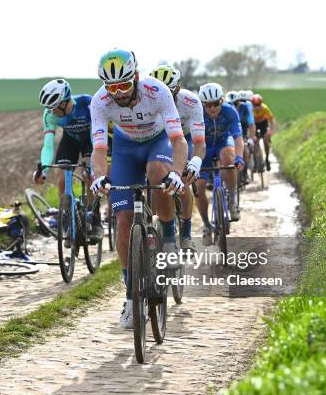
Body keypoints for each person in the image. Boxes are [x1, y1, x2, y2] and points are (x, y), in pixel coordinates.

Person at [89, 49, 188, 329]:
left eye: (123, 84)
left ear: (135, 76)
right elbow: (98, 148)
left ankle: (168, 237)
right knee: (122, 222)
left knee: (158, 174)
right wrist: (99, 175)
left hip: (158, 142)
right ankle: (131, 297)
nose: (118, 93)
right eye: (111, 87)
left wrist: (177, 174)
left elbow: (179, 141)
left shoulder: (157, 92)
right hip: (125, 148)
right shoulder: (100, 101)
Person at [32, 78, 102, 241]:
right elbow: (48, 145)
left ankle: (94, 214)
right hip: (69, 140)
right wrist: (43, 169)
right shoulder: (50, 114)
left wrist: (92, 166)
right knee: (61, 177)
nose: (51, 111)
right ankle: (70, 218)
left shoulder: (87, 104)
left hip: (90, 139)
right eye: (49, 108)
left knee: (89, 176)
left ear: (65, 102)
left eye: (54, 107)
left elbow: (96, 140)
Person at [150, 64, 205, 251]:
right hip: (159, 139)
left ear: (178, 89)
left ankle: (186, 234)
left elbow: (199, 142)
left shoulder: (191, 101)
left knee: (182, 180)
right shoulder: (148, 100)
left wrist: (196, 162)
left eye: (169, 92)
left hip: (186, 138)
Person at [196, 83, 245, 245]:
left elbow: (238, 138)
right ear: (202, 104)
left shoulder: (230, 111)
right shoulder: (197, 114)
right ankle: (206, 225)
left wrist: (239, 157)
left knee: (229, 159)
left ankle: (231, 200)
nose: (212, 108)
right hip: (203, 147)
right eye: (207, 105)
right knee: (199, 187)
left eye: (216, 103)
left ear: (222, 100)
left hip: (223, 142)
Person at [234, 90, 256, 182]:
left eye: (236, 103)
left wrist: (251, 138)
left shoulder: (245, 108)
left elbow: (251, 124)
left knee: (245, 151)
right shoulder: (228, 109)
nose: (235, 105)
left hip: (243, 132)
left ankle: (245, 171)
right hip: (232, 133)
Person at [251, 93, 277, 171]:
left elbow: (272, 120)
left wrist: (270, 132)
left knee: (266, 139)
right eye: (255, 105)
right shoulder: (250, 109)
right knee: (255, 141)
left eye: (259, 105)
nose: (257, 107)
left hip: (263, 124)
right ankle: (256, 161)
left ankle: (267, 159)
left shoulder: (265, 108)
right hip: (254, 125)